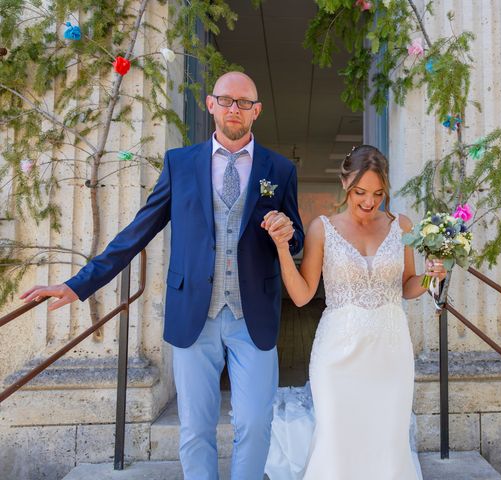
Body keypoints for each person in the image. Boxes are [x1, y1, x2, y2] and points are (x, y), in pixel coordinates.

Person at [20, 71, 305, 480]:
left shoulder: (279, 169)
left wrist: (288, 232)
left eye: (244, 103)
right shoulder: (180, 163)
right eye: (226, 100)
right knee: (195, 429)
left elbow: (297, 242)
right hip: (193, 314)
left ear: (256, 111)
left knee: (256, 424)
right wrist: (78, 284)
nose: (234, 109)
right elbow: (138, 230)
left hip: (253, 316)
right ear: (211, 104)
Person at [261, 145, 446, 479]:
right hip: (338, 356)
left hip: (391, 354)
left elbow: (407, 286)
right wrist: (282, 250)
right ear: (345, 182)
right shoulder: (323, 228)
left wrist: (433, 275)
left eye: (378, 193)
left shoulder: (401, 225)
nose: (368, 201)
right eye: (360, 191)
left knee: (388, 441)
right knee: (338, 441)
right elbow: (302, 296)